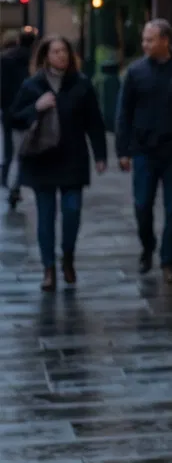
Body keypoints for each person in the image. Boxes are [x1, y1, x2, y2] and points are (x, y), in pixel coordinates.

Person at [6, 36, 108, 290]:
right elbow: (14, 119)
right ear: (45, 56)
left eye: (64, 51)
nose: (61, 56)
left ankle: (68, 260)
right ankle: (48, 268)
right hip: (42, 160)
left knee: (72, 212)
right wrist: (36, 108)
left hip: (73, 158)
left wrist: (100, 156)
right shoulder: (32, 86)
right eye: (56, 52)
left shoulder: (81, 84)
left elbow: (94, 123)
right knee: (46, 215)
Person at [115, 17, 172, 284]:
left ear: (165, 40)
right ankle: (148, 247)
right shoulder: (136, 72)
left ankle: (168, 261)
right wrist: (123, 150)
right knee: (142, 205)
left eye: (150, 39)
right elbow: (124, 112)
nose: (145, 44)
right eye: (144, 39)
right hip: (144, 151)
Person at [0, 26, 35, 209]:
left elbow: (3, 88)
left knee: (10, 150)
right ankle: (16, 184)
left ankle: (10, 183)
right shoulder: (33, 60)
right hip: (31, 109)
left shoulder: (5, 60)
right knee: (24, 151)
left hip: (10, 110)